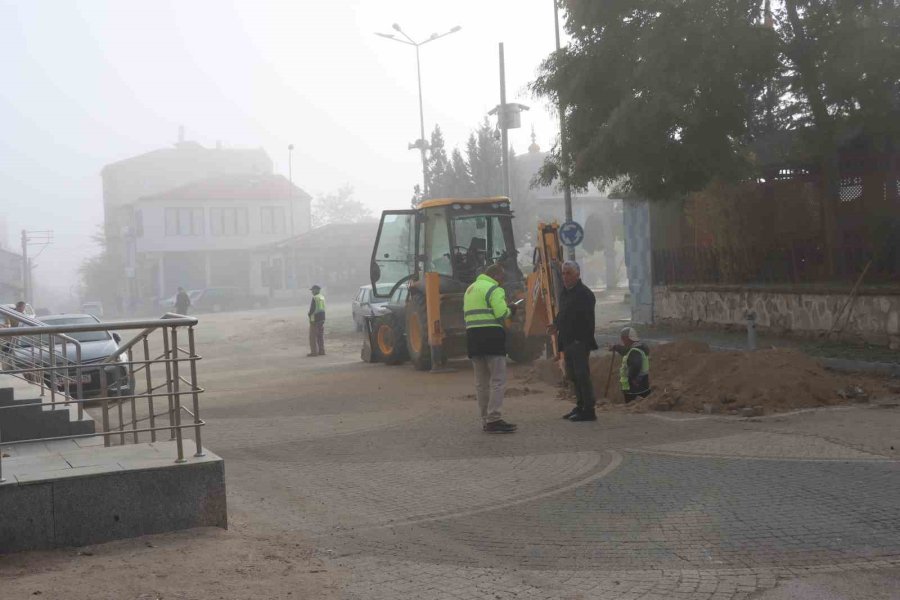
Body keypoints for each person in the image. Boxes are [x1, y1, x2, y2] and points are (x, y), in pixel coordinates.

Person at [464, 262, 517, 433]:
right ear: (495, 275)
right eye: (501, 277)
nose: (502, 281)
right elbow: (501, 313)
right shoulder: (494, 289)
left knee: (481, 383)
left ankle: (485, 420)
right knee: (498, 380)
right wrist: (512, 309)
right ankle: (495, 418)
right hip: (492, 338)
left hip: (473, 339)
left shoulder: (470, 289)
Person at [548, 261, 599, 422]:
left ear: (577, 275)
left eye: (568, 273)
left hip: (579, 341)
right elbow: (563, 313)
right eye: (563, 273)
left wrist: (581, 339)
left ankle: (589, 410)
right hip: (567, 341)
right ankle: (580, 405)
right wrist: (555, 325)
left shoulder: (585, 294)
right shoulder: (565, 293)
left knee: (582, 374)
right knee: (572, 375)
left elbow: (587, 320)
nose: (565, 277)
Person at [608, 327, 651, 403]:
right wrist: (615, 347)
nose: (622, 341)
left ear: (627, 338)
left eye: (623, 339)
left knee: (632, 409)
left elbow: (636, 365)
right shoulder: (638, 348)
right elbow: (625, 350)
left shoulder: (635, 351)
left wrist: (630, 378)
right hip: (643, 385)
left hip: (635, 389)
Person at [307, 284, 326, 357]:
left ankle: (314, 352)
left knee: (313, 336)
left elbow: (312, 309)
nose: (312, 291)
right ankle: (322, 351)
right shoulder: (322, 297)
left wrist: (309, 315)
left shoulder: (315, 298)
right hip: (322, 317)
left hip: (315, 319)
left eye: (312, 290)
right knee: (320, 336)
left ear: (316, 290)